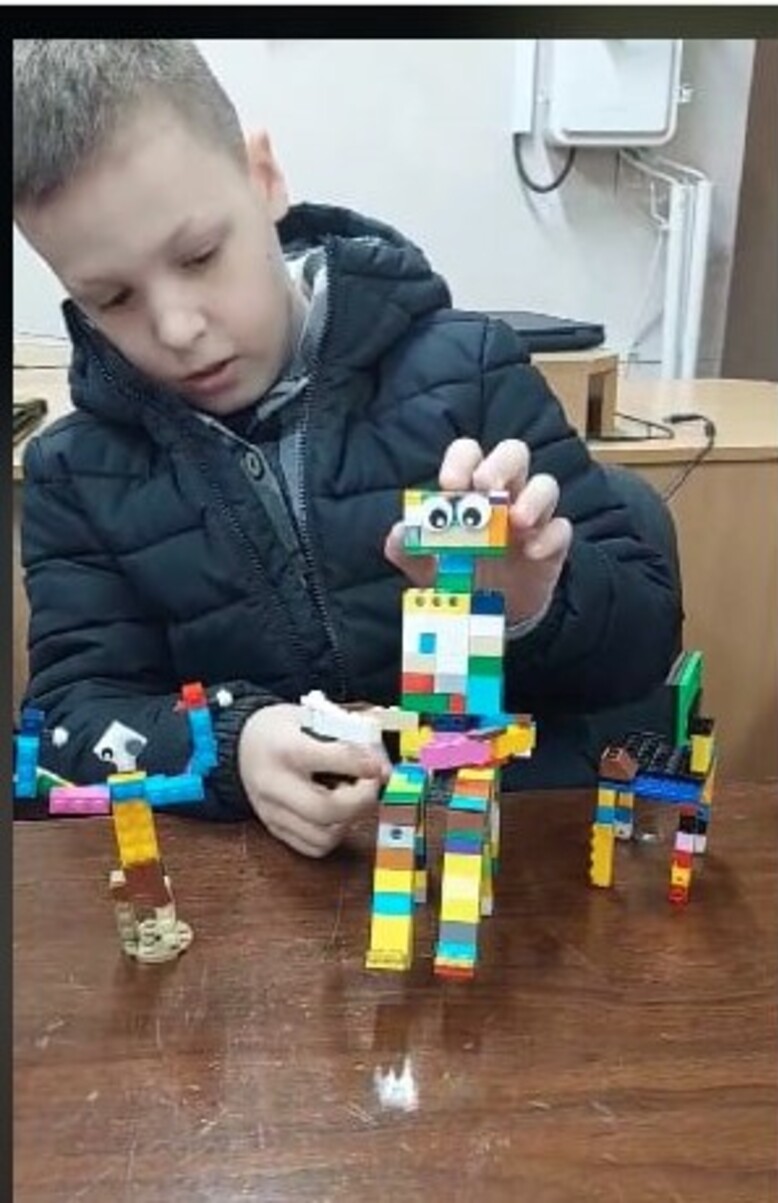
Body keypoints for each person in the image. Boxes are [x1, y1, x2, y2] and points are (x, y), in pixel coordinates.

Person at [13, 40, 681, 859]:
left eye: (200, 256)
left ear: (263, 178)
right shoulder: (74, 475)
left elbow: (643, 648)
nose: (178, 328)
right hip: (266, 890)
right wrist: (232, 743)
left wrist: (532, 604)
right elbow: (67, 732)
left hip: (506, 863)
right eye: (112, 298)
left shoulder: (469, 373)